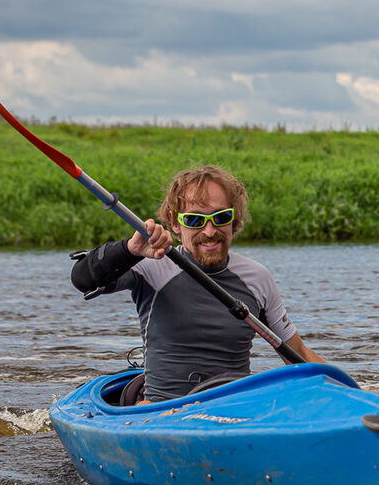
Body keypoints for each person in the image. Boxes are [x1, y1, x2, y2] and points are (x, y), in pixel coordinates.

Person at [71, 164, 324, 403]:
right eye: (194, 220)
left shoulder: (257, 278)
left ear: (235, 221)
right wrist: (129, 249)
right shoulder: (150, 264)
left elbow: (298, 355)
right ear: (174, 222)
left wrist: (354, 397)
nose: (210, 231)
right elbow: (82, 279)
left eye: (221, 217)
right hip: (161, 412)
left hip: (233, 412)